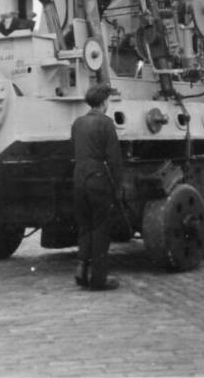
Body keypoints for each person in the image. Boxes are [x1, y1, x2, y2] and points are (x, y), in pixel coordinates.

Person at [71, 83, 124, 291]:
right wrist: (117, 186)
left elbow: (73, 147)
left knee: (85, 226)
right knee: (101, 227)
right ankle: (99, 278)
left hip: (79, 177)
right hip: (98, 179)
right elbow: (114, 159)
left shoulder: (78, 123)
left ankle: (82, 270)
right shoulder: (106, 124)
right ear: (104, 102)